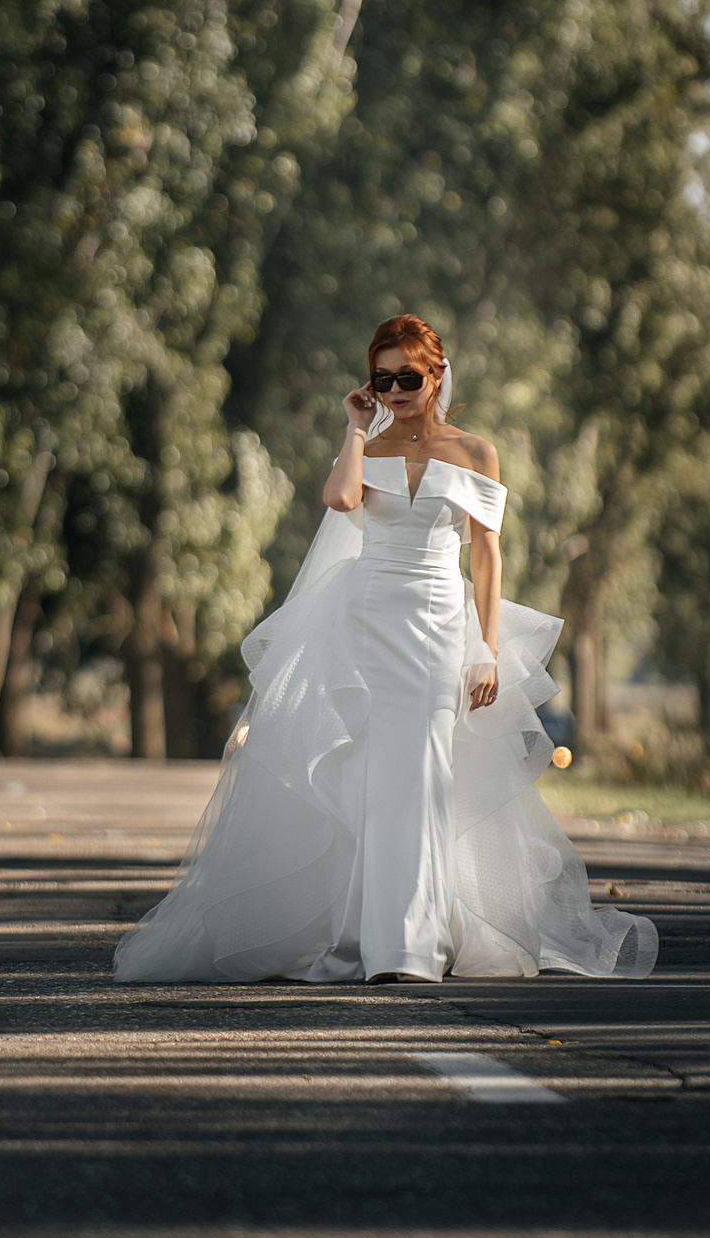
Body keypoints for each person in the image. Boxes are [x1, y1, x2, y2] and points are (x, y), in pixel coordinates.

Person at [114, 314, 658, 983]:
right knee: (371, 778)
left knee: (426, 773)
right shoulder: (367, 450)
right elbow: (340, 499)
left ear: (437, 374)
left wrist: (485, 649)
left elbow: (486, 560)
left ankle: (411, 944)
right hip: (368, 623)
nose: (397, 390)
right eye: (383, 378)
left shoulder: (476, 453)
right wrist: (354, 424)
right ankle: (370, 938)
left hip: (436, 625)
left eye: (409, 377)